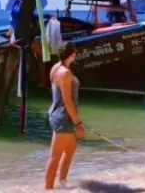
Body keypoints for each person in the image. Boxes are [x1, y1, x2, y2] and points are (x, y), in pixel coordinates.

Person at [45, 42, 84, 190]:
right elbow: (67, 101)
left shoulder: (56, 68)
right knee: (55, 157)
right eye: (75, 52)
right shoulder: (65, 73)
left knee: (70, 150)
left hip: (56, 113)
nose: (76, 54)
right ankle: (48, 189)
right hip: (63, 118)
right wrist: (78, 124)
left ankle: (62, 184)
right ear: (71, 54)